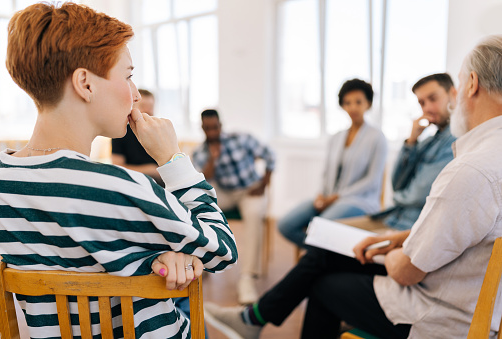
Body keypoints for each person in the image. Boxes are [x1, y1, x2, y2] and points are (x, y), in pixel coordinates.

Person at [203, 34, 502, 339]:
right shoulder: (481, 156)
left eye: (435, 98)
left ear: (470, 84)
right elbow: (447, 219)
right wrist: (401, 237)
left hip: (438, 315)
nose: (428, 107)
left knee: (323, 276)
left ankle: (253, 318)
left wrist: (387, 251)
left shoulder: (469, 167)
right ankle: (252, 318)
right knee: (324, 252)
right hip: (457, 290)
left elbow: (407, 267)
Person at [0, 3, 237, 338]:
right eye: (128, 76)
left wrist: (151, 257)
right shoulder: (122, 188)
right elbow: (222, 249)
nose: (136, 95)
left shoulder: (1, 180)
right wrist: (173, 159)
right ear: (85, 84)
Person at [338, 73, 457, 233]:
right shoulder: (428, 141)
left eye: (433, 99)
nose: (427, 108)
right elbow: (397, 183)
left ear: (453, 94)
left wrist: (397, 199)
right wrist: (411, 142)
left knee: (331, 242)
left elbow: (419, 195)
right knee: (331, 233)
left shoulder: (455, 139)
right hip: (395, 217)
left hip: (411, 226)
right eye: (422, 103)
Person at [278, 79, 387, 247]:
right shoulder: (336, 138)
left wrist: (338, 197)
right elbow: (326, 172)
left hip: (360, 201)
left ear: (368, 103)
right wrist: (321, 195)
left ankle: (318, 256)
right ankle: (321, 255)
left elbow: (372, 180)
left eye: (358, 102)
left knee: (319, 228)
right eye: (347, 103)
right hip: (330, 198)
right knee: (285, 225)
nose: (353, 107)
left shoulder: (377, 137)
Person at [192, 109, 275, 305]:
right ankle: (205, 263)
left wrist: (263, 184)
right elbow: (203, 178)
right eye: (207, 129)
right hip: (227, 192)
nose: (212, 132)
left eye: (215, 127)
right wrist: (213, 158)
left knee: (254, 215)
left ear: (221, 125)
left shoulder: (241, 139)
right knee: (197, 204)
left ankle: (247, 279)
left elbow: (270, 156)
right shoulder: (200, 151)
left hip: (251, 190)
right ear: (202, 128)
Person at [112, 89, 164, 186]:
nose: (148, 111)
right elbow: (117, 167)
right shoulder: (121, 132)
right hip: (132, 183)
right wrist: (150, 170)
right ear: (132, 108)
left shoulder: (159, 132)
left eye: (151, 107)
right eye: (143, 106)